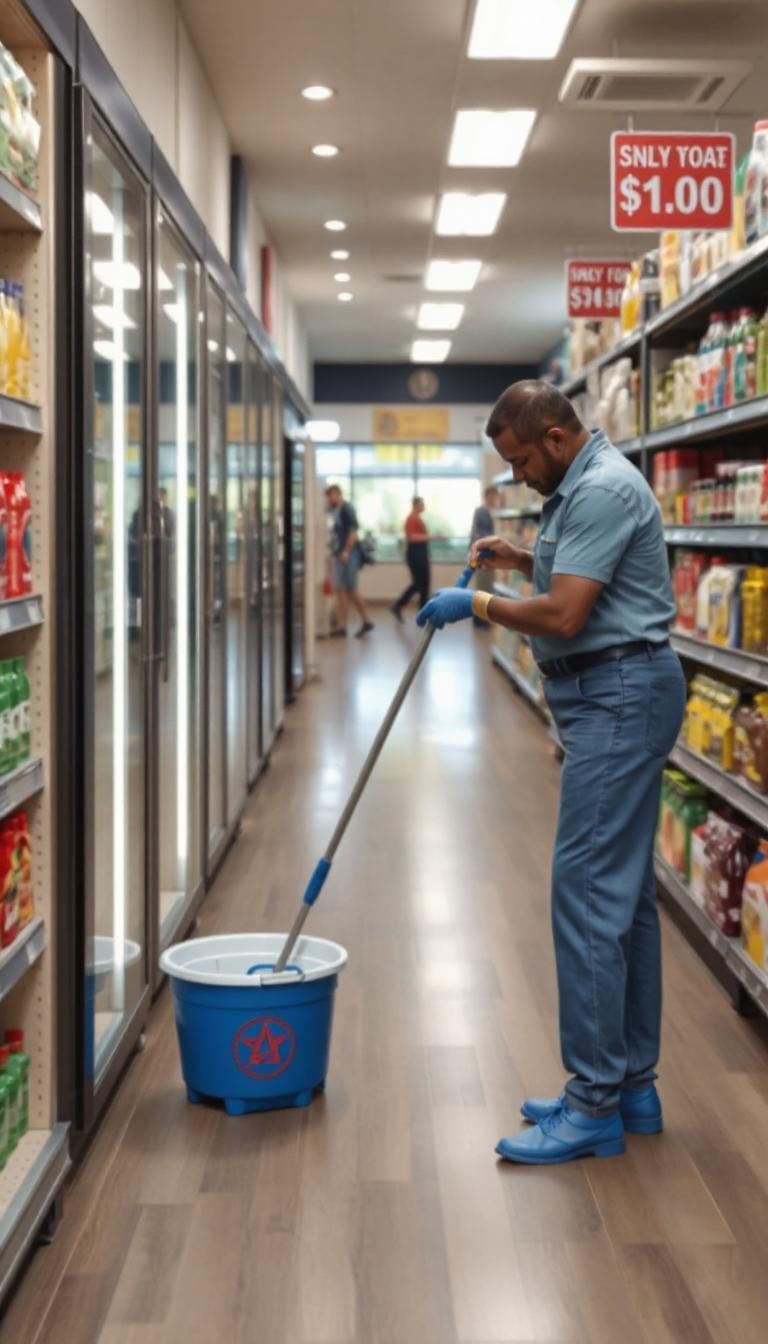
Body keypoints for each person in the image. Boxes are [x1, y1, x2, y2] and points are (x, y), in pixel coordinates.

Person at [417, 379, 685, 1166]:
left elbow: (568, 614)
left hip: (619, 695)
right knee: (624, 897)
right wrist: (521, 553)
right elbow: (584, 573)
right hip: (610, 694)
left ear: (558, 440)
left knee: (585, 893)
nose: (519, 474)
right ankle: (632, 1085)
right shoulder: (580, 484)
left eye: (522, 459)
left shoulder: (598, 487)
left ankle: (594, 1101)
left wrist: (481, 606)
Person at [325, 484, 374, 638]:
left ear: (338, 494)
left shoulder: (347, 509)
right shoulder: (334, 511)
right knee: (340, 590)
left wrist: (346, 552)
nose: (329, 499)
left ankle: (366, 621)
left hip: (348, 555)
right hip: (340, 555)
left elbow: (353, 533)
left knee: (351, 589)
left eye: (331, 495)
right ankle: (342, 625)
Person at [390, 496, 436, 622]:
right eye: (422, 504)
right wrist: (429, 537)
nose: (424, 506)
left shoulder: (418, 518)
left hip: (421, 553)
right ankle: (401, 606)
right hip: (415, 554)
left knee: (423, 583)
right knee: (419, 583)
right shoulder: (411, 519)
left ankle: (419, 609)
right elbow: (411, 537)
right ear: (416, 505)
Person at [469, 486, 500, 628]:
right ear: (488, 496)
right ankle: (479, 620)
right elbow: (478, 534)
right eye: (494, 496)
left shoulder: (492, 512)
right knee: (482, 589)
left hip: (491, 555)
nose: (495, 499)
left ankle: (483, 619)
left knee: (487, 588)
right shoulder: (481, 512)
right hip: (482, 556)